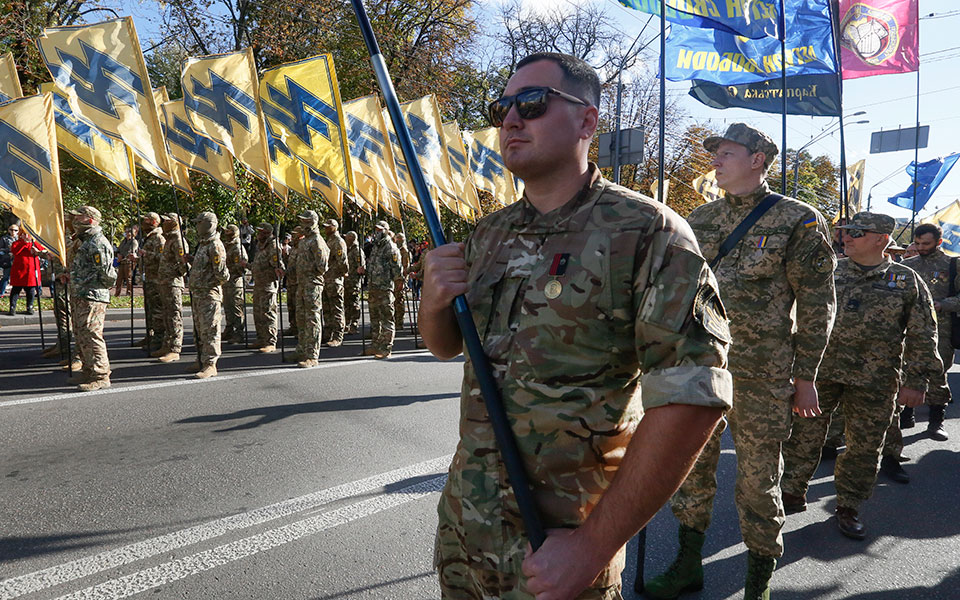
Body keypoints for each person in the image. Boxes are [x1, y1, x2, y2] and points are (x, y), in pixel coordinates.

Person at [421, 52, 731, 599]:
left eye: (532, 103)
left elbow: (692, 399)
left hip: (560, 553)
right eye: (502, 108)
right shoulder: (489, 235)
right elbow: (447, 347)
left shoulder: (648, 232)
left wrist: (593, 546)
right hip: (464, 539)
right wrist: (433, 302)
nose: (511, 119)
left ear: (587, 121)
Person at [647, 123, 837, 600]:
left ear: (757, 159)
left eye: (726, 152)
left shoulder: (797, 219)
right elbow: (677, 292)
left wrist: (805, 375)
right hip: (699, 368)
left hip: (763, 374)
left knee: (757, 483)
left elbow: (817, 304)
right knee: (690, 473)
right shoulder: (699, 219)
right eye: (715, 152)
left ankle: (759, 583)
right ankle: (688, 564)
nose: (715, 160)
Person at [779, 212, 938, 541]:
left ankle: (848, 506)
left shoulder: (906, 281)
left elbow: (924, 334)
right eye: (845, 233)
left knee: (864, 447)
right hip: (819, 374)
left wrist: (916, 381)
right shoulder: (829, 275)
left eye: (856, 233)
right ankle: (791, 493)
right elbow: (795, 319)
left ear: (881, 239)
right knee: (802, 436)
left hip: (875, 379)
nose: (846, 238)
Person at [902, 223, 955, 441]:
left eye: (926, 243)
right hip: (909, 329)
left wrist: (943, 304)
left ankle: (936, 421)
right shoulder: (907, 266)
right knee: (906, 370)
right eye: (917, 243)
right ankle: (906, 414)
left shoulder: (953, 265)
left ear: (938, 242)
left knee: (937, 372)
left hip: (940, 329)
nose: (921, 247)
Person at [68, 206, 116, 391]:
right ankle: (89, 370)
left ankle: (101, 375)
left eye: (79, 217)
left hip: (93, 295)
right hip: (81, 294)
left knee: (92, 334)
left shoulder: (97, 242)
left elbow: (106, 274)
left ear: (90, 220)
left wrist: (90, 285)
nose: (75, 221)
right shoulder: (83, 241)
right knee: (81, 333)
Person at [187, 212, 229, 378]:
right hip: (198, 293)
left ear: (209, 224)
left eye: (199, 223)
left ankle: (210, 364)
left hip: (209, 294)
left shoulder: (215, 245)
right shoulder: (203, 244)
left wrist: (210, 281)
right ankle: (201, 359)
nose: (197, 226)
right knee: (199, 329)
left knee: (210, 329)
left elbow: (222, 274)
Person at [293, 211, 329, 368]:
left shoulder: (316, 241)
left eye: (306, 222)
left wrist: (310, 272)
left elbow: (322, 267)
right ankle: (302, 350)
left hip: (312, 284)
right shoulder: (304, 241)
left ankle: (312, 355)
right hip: (302, 284)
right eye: (302, 221)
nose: (304, 225)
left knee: (312, 319)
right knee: (301, 318)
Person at [361, 221, 401, 359]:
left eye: (380, 230)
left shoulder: (390, 247)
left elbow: (397, 270)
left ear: (385, 230)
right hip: (373, 287)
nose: (377, 232)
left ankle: (385, 348)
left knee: (386, 318)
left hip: (384, 288)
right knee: (374, 318)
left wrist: (398, 285)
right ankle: (375, 345)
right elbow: (373, 265)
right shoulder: (376, 247)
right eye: (376, 229)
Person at [154, 214, 189, 363]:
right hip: (164, 283)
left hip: (173, 283)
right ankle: (166, 344)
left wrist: (174, 273)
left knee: (174, 315)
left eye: (168, 220)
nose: (164, 222)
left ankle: (175, 348)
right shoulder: (169, 239)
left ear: (175, 223)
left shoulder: (178, 240)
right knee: (167, 315)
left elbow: (183, 266)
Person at [247, 223, 283, 353]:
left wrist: (278, 269)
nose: (259, 234)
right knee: (258, 313)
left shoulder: (273, 246)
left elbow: (278, 265)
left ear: (267, 233)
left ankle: (270, 341)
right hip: (259, 285)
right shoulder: (260, 246)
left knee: (268, 312)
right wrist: (247, 265)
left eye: (261, 232)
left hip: (268, 285)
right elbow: (258, 264)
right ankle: (261, 338)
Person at [138, 213, 165, 352]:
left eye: (146, 220)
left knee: (157, 310)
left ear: (154, 222)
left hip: (156, 279)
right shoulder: (147, 238)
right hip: (148, 277)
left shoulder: (159, 239)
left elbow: (162, 258)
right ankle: (150, 334)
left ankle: (159, 338)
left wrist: (146, 254)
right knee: (149, 308)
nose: (143, 222)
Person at [321, 219, 348, 347]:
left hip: (335, 280)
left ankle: (338, 336)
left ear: (334, 228)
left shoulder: (338, 241)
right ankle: (327, 334)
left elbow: (342, 261)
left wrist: (342, 274)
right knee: (327, 309)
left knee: (336, 308)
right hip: (326, 279)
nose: (326, 229)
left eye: (328, 227)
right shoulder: (328, 241)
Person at [221, 224, 247, 344]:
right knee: (227, 307)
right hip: (226, 281)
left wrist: (239, 267)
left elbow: (242, 267)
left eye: (229, 233)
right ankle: (229, 329)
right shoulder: (226, 246)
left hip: (235, 281)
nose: (226, 235)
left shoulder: (237, 247)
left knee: (237, 307)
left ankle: (239, 333)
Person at [8, 227, 43, 315]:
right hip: (19, 270)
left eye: (28, 234)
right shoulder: (17, 243)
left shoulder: (35, 243)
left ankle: (30, 307)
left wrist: (33, 242)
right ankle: (12, 307)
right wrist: (24, 243)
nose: (26, 236)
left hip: (31, 271)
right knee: (16, 290)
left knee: (31, 290)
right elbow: (15, 251)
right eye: (24, 234)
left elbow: (41, 250)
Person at [283, 226, 303, 339]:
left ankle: (299, 329)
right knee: (290, 305)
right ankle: (293, 326)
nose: (293, 236)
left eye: (295, 234)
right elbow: (290, 262)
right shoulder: (293, 248)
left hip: (298, 282)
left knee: (298, 307)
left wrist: (286, 272)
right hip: (290, 281)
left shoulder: (302, 247)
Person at [344, 230, 365, 335]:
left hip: (354, 281)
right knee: (346, 304)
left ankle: (354, 324)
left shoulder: (357, 251)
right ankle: (346, 323)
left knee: (354, 304)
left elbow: (361, 266)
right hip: (346, 281)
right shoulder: (348, 250)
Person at [114, 226, 139, 296]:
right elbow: (119, 249)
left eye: (128, 232)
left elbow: (131, 251)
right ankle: (117, 293)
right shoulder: (123, 241)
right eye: (126, 232)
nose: (127, 233)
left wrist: (122, 256)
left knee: (128, 278)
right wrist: (118, 254)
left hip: (129, 262)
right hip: (121, 262)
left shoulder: (134, 242)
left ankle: (129, 293)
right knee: (119, 278)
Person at [393, 232, 411, 330]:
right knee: (394, 301)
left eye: (400, 240)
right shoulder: (396, 250)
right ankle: (395, 320)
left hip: (400, 279)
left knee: (399, 301)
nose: (398, 241)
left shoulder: (405, 252)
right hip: (394, 279)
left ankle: (399, 322)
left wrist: (403, 281)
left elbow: (406, 268)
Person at [0, 220, 19, 298]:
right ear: (8, 230)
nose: (13, 231)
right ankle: (1, 292)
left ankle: (16, 294)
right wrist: (8, 251)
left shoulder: (20, 239)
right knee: (6, 277)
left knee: (19, 277)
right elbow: (0, 249)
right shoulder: (4, 238)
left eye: (15, 230)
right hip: (8, 260)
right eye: (11, 230)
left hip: (18, 260)